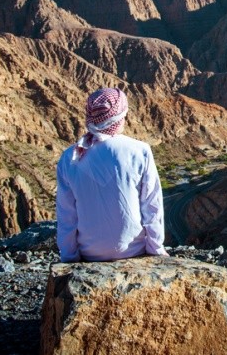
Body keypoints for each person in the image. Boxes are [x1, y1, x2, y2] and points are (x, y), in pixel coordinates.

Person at [56, 87, 168, 262]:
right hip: (133, 251)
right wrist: (156, 248)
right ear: (120, 116)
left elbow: (67, 215)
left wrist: (69, 257)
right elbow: (152, 205)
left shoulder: (70, 156)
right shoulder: (140, 151)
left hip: (89, 254)